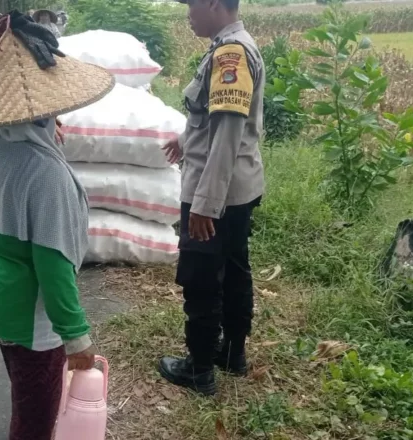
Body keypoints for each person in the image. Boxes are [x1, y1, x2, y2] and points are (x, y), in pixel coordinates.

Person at [0, 11, 114, 439]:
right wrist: (77, 340)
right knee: (34, 421)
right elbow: (54, 271)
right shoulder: (46, 177)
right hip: (30, 320)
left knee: (22, 389)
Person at [158, 0, 265, 395]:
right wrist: (186, 140)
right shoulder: (232, 44)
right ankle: (232, 354)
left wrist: (205, 204)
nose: (188, 13)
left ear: (216, 4)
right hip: (238, 190)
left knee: (202, 277)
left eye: (193, 5)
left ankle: (199, 368)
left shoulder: (231, 53)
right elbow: (213, 118)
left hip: (215, 192)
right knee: (235, 269)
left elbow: (228, 135)